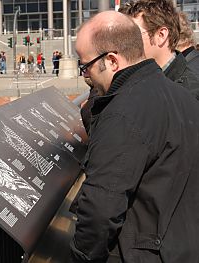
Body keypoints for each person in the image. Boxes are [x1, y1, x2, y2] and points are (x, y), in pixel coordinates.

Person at [70, 10, 199, 263]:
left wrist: (80, 257)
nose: (85, 75)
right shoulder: (178, 94)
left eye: (85, 66)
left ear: (112, 61)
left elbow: (100, 210)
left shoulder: (122, 114)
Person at [119, 0, 199, 100]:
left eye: (134, 35)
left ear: (161, 35)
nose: (126, 44)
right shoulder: (134, 80)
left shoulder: (189, 91)